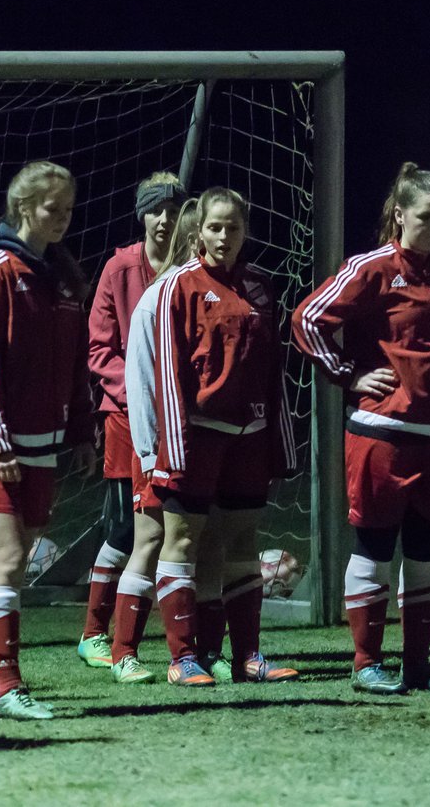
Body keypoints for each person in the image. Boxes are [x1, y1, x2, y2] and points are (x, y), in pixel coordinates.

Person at [292, 162, 430, 695]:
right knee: (375, 547)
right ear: (400, 214)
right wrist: (349, 374)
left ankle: (419, 665)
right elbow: (307, 320)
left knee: (427, 551)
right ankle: (365, 664)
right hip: (382, 433)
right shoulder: (374, 268)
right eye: (427, 217)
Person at [0, 161, 96, 720]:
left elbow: (74, 368)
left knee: (6, 566)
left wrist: (82, 432)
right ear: (22, 209)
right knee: (9, 557)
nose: (60, 219)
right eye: (50, 209)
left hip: (42, 445)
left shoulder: (61, 279)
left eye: (66, 210)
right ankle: (9, 684)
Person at [148, 187, 299, 686]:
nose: (224, 236)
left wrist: (280, 440)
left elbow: (272, 370)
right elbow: (167, 368)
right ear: (199, 231)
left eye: (233, 227)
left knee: (242, 541)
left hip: (250, 438)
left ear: (245, 231)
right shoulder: (180, 286)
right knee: (184, 540)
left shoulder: (261, 285)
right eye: (215, 226)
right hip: (197, 437)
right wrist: (171, 441)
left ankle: (247, 657)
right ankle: (182, 658)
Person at [76, 172, 188, 669]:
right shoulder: (119, 268)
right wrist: (144, 392)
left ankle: (183, 637)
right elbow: (99, 349)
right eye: (154, 209)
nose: (164, 219)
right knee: (126, 527)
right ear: (141, 215)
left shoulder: (191, 266)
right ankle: (95, 633)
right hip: (127, 417)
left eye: (172, 209)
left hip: (181, 419)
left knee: (176, 525)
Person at [112, 200, 225, 684]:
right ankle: (123, 652)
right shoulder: (160, 296)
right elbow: (139, 381)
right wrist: (146, 449)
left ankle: (204, 650)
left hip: (200, 446)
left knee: (206, 542)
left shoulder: (210, 292)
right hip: (159, 446)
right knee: (151, 538)